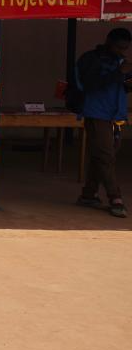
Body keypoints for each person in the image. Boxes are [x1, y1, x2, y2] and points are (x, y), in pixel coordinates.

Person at [73, 27, 132, 218]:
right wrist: (119, 72)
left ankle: (88, 194)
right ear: (108, 41)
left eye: (125, 48)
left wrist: (127, 78)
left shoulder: (120, 61)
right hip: (96, 112)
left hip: (116, 115)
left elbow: (122, 87)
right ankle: (115, 198)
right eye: (118, 47)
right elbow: (90, 84)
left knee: (102, 155)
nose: (121, 51)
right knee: (106, 157)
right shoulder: (91, 59)